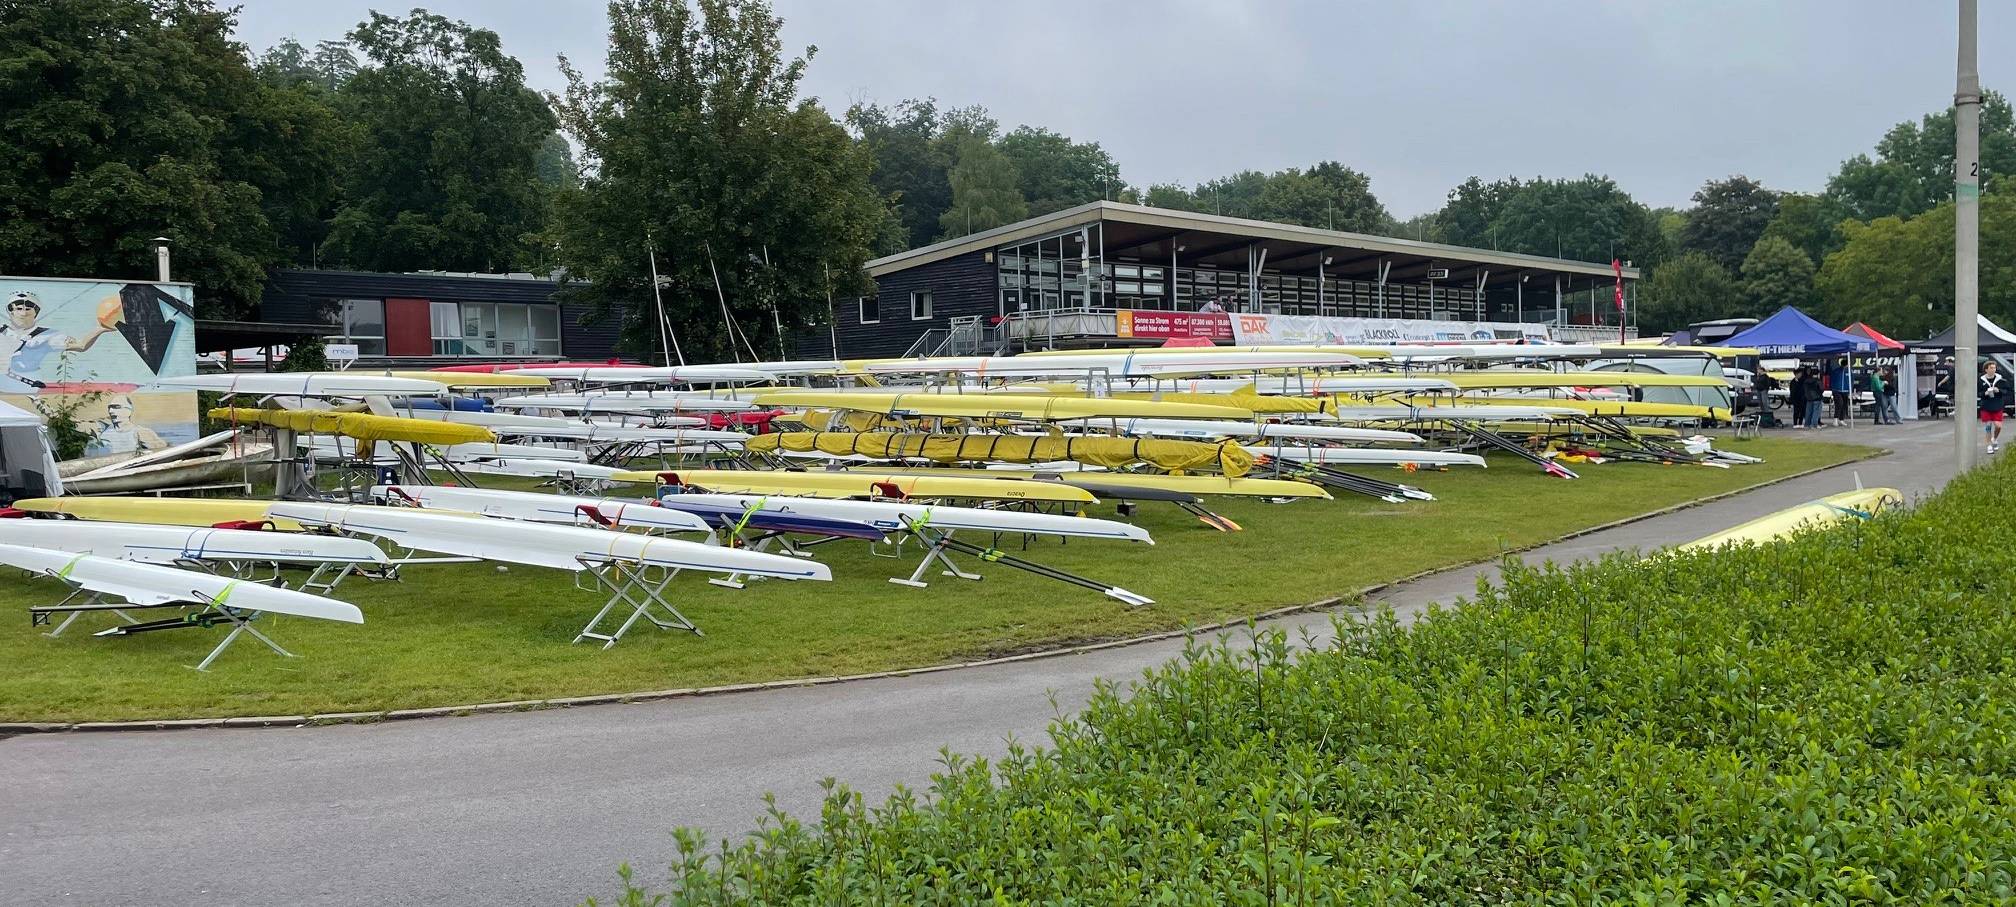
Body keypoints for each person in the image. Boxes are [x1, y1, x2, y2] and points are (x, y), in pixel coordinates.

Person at [3, 291, 117, 393]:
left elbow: (81, 346)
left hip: (28, 386)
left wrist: (100, 329)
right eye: (18, 309)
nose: (23, 313)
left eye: (28, 309)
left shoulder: (46, 335)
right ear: (11, 311)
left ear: (35, 312)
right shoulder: (2, 331)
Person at [87, 395, 167, 455]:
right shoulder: (103, 432)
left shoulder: (140, 432)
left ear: (129, 410)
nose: (111, 411)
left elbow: (164, 452)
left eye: (116, 407)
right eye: (110, 408)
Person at [1980, 361, 2009, 453]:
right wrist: (1985, 393)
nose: (1993, 369)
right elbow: (1978, 392)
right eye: (1991, 368)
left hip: (1997, 405)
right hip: (1986, 405)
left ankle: (1994, 439)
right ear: (1986, 369)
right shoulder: (1981, 380)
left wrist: (1998, 390)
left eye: (1994, 368)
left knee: (1998, 426)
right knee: (1988, 426)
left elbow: (2007, 391)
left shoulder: (2001, 380)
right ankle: (1989, 445)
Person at [1829, 357, 1852, 426]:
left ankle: (1841, 419)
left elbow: (1851, 381)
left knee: (1844, 405)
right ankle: (1835, 419)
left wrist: (1850, 390)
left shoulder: (1849, 371)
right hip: (1837, 390)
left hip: (1845, 391)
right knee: (1839, 404)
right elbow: (1832, 380)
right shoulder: (1836, 371)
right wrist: (1833, 389)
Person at [1788, 365, 1809, 429]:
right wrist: (1791, 399)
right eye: (1798, 374)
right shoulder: (1793, 382)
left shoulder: (1803, 380)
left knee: (1802, 411)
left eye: (1800, 373)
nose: (1800, 375)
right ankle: (1795, 423)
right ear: (1795, 374)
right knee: (1796, 411)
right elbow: (1792, 391)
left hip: (1803, 398)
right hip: (1796, 399)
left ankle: (1800, 423)